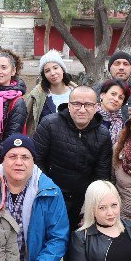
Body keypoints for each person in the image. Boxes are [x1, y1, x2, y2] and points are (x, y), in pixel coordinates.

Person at [33, 86, 112, 234]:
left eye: (88, 105)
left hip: (82, 201)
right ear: (68, 105)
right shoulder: (49, 124)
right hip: (50, 195)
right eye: (76, 104)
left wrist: (88, 208)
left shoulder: (103, 135)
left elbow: (101, 176)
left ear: (96, 107)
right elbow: (36, 161)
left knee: (75, 250)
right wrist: (49, 191)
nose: (82, 109)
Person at [0, 49, 27, 160]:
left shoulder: (17, 102)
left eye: (4, 67)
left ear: (13, 71)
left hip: (2, 158)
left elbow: (11, 137)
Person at [24, 50, 75, 134]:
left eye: (55, 68)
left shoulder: (77, 93)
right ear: (44, 75)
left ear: (62, 69)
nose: (52, 73)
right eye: (47, 71)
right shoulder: (37, 96)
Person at [97, 77, 130, 143]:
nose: (116, 99)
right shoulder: (89, 116)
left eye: (120, 98)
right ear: (102, 95)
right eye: (113, 94)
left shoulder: (123, 125)